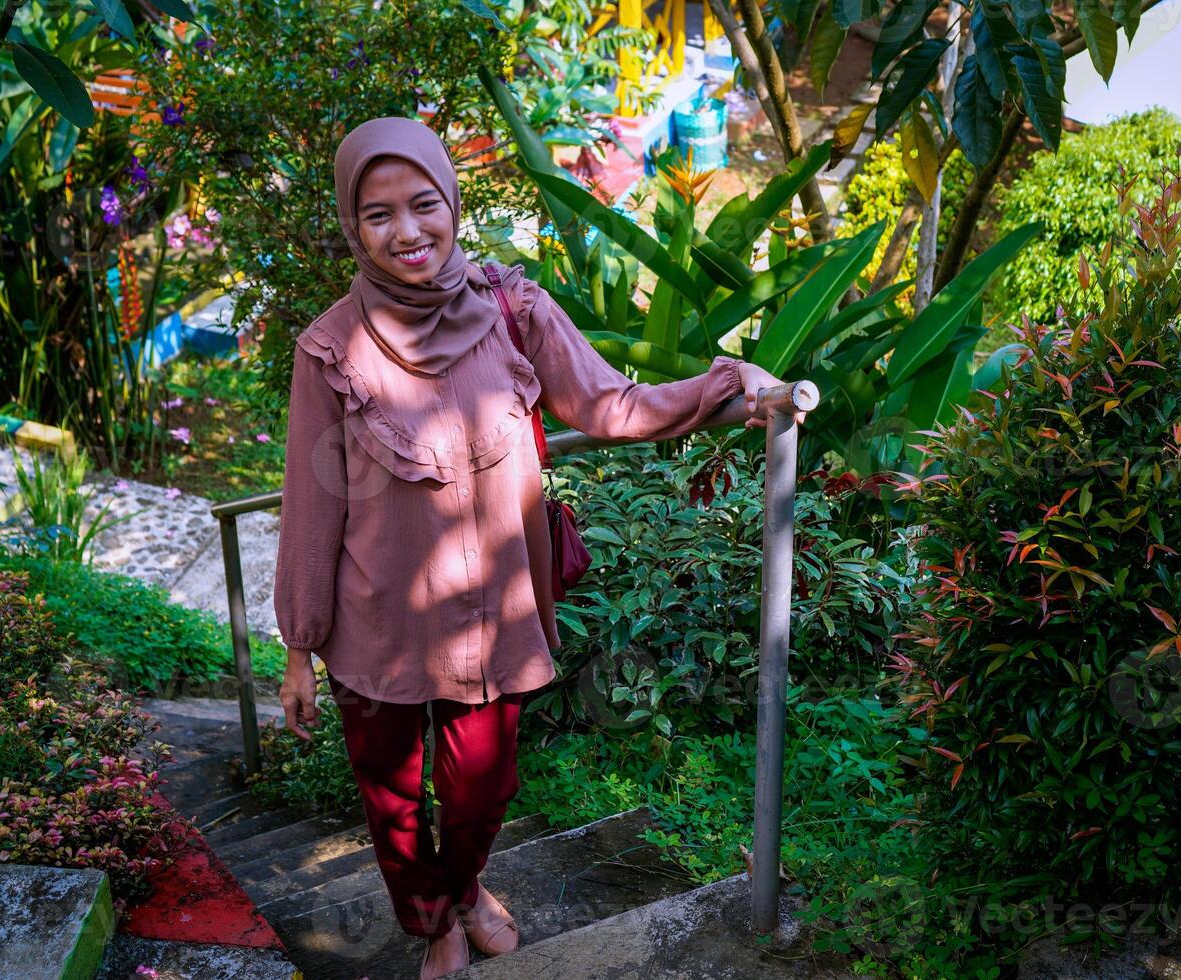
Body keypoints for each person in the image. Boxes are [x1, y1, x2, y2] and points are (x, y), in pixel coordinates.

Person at [272, 116, 800, 979]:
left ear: (452, 201)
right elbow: (311, 505)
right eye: (378, 215)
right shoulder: (329, 350)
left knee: (481, 788)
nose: (406, 232)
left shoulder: (512, 310)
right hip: (373, 622)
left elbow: (609, 404)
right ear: (351, 225)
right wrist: (300, 647)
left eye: (424, 205)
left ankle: (469, 883)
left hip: (489, 615)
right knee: (393, 801)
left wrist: (728, 388)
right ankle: (436, 919)